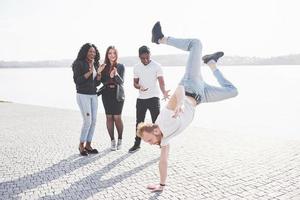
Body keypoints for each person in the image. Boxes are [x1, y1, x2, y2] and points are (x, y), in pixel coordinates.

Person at [137, 22, 238, 192]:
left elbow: (179, 89)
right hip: (202, 97)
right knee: (233, 91)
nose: (148, 143)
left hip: (191, 85)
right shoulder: (164, 138)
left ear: (154, 131)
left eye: (147, 140)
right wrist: (161, 186)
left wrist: (180, 104)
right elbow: (164, 161)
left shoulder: (163, 119)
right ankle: (211, 63)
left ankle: (160, 39)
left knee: (196, 44)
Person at [128, 45, 170, 153]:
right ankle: (137, 144)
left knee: (157, 122)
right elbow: (135, 83)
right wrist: (139, 87)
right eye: (143, 58)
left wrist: (164, 91)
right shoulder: (136, 67)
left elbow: (161, 81)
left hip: (153, 98)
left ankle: (162, 143)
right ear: (139, 57)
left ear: (150, 55)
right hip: (141, 99)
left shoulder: (157, 66)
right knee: (139, 123)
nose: (145, 60)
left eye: (147, 57)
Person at [72, 43, 105, 156]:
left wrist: (99, 73)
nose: (92, 54)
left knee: (94, 121)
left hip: (93, 95)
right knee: (87, 121)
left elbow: (96, 83)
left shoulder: (95, 64)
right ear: (85, 51)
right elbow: (78, 80)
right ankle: (81, 145)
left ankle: (88, 145)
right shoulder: (78, 64)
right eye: (90, 51)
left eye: (94, 52)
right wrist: (90, 72)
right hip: (82, 95)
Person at [100, 46, 125, 151]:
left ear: (116, 54)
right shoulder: (104, 66)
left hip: (117, 93)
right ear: (107, 55)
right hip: (106, 94)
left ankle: (120, 139)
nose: (112, 55)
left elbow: (121, 81)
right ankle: (112, 141)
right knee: (109, 118)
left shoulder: (120, 66)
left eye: (114, 53)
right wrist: (102, 73)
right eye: (110, 53)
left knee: (117, 118)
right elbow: (102, 82)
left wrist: (116, 74)